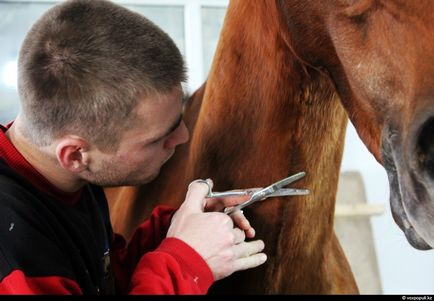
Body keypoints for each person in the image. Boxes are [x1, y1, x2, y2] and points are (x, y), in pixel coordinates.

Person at [0, 0, 267, 295]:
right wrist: (184, 265)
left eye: (178, 119)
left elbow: (102, 280)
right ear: (75, 155)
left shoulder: (70, 177)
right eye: (157, 138)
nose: (183, 137)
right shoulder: (13, 258)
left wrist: (175, 231)